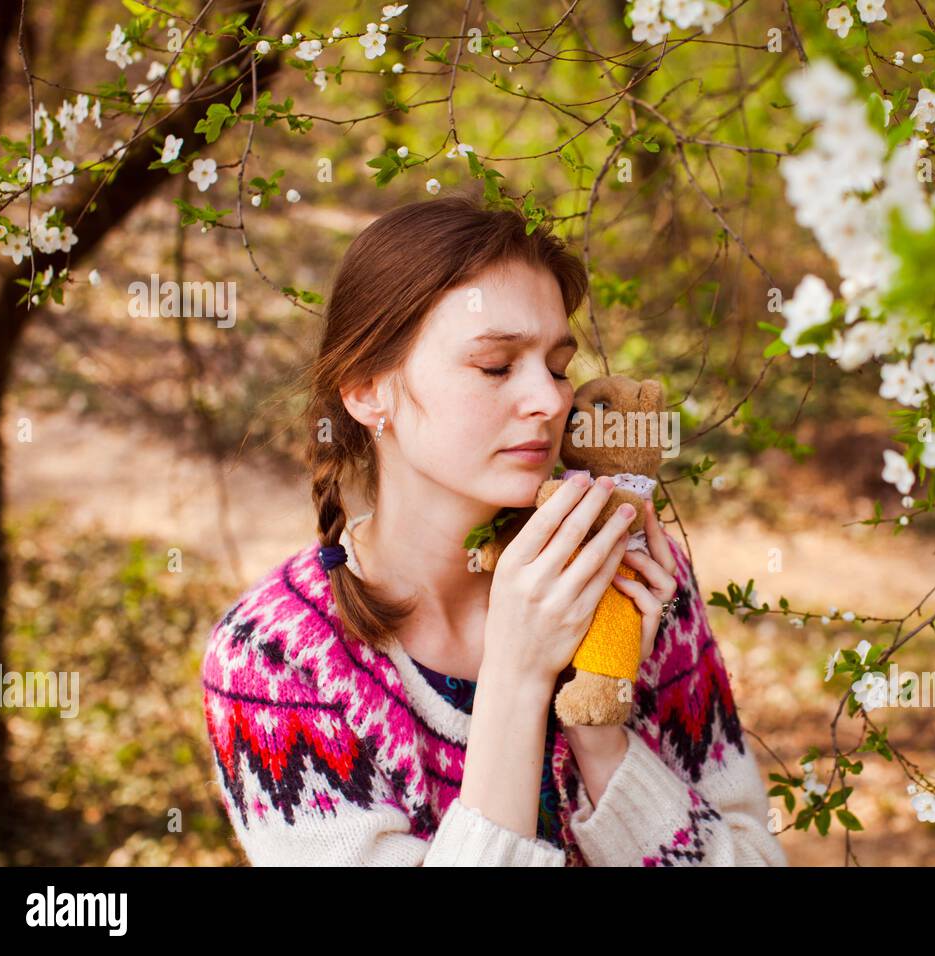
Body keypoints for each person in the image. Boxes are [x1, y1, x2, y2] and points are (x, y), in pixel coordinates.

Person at [200, 191, 788, 866]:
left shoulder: (629, 577)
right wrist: (518, 673)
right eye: (495, 366)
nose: (549, 400)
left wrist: (600, 734)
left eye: (559, 366)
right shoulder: (274, 659)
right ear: (365, 390)